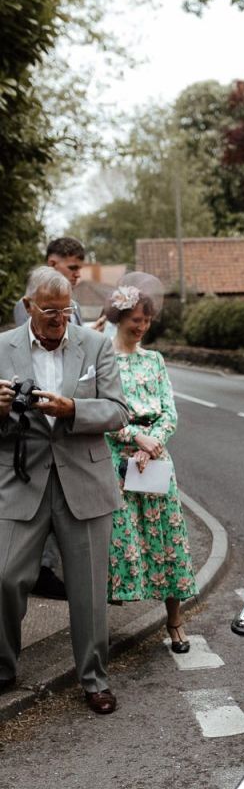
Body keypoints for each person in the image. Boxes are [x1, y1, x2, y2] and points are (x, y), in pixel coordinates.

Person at [0, 267, 129, 714]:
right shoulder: (2, 347)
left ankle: (94, 680)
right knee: (4, 576)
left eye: (65, 310)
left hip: (84, 479)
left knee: (89, 588)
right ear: (28, 305)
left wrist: (73, 408)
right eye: (49, 310)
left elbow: (118, 411)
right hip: (21, 479)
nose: (59, 319)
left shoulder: (95, 345)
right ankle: (3, 667)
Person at [103, 274, 197, 654]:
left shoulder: (154, 360)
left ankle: (175, 620)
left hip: (155, 461)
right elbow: (103, 414)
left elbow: (169, 412)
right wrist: (133, 438)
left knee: (167, 539)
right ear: (119, 316)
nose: (141, 327)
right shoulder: (103, 359)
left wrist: (152, 443)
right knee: (120, 542)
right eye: (135, 319)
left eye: (147, 320)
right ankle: (101, 629)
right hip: (118, 462)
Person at [14, 237, 107, 600]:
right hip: (40, 438)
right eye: (72, 267)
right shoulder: (32, 307)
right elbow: (37, 364)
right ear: (53, 264)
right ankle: (39, 572)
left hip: (73, 436)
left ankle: (53, 571)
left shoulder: (71, 306)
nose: (78, 274)